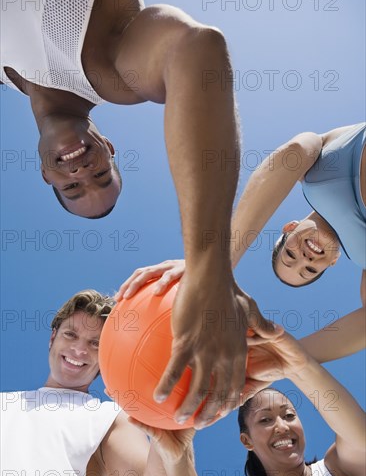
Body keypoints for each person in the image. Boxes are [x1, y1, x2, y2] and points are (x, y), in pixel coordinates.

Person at [1, 0, 279, 428]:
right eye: (100, 175)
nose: (83, 171)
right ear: (108, 147)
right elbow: (195, 48)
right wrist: (210, 271)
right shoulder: (109, 70)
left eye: (74, 187)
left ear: (46, 174)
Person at [118, 123, 366, 363]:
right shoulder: (362, 257)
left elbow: (292, 154)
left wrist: (215, 266)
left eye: (290, 255)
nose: (305, 259)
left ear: (290, 228)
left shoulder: (312, 174)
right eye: (309, 270)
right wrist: (282, 356)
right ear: (333, 261)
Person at [129, 332, 366, 476]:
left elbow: (360, 437)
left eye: (289, 415)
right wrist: (177, 459)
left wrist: (295, 366)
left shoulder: (340, 473)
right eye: (266, 420)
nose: (282, 426)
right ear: (246, 440)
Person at [0, 289, 182, 476]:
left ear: (106, 357)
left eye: (95, 343)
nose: (78, 349)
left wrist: (169, 421)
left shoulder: (108, 418)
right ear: (53, 337)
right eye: (70, 334)